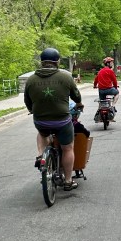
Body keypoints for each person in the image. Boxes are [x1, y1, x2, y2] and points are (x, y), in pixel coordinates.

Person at [24, 48, 82, 191]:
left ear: (42, 62)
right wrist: (79, 104)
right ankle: (68, 181)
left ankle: (40, 155)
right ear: (57, 62)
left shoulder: (31, 80)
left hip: (41, 121)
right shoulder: (66, 77)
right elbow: (76, 96)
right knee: (67, 148)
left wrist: (33, 110)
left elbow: (27, 101)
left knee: (42, 133)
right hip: (62, 120)